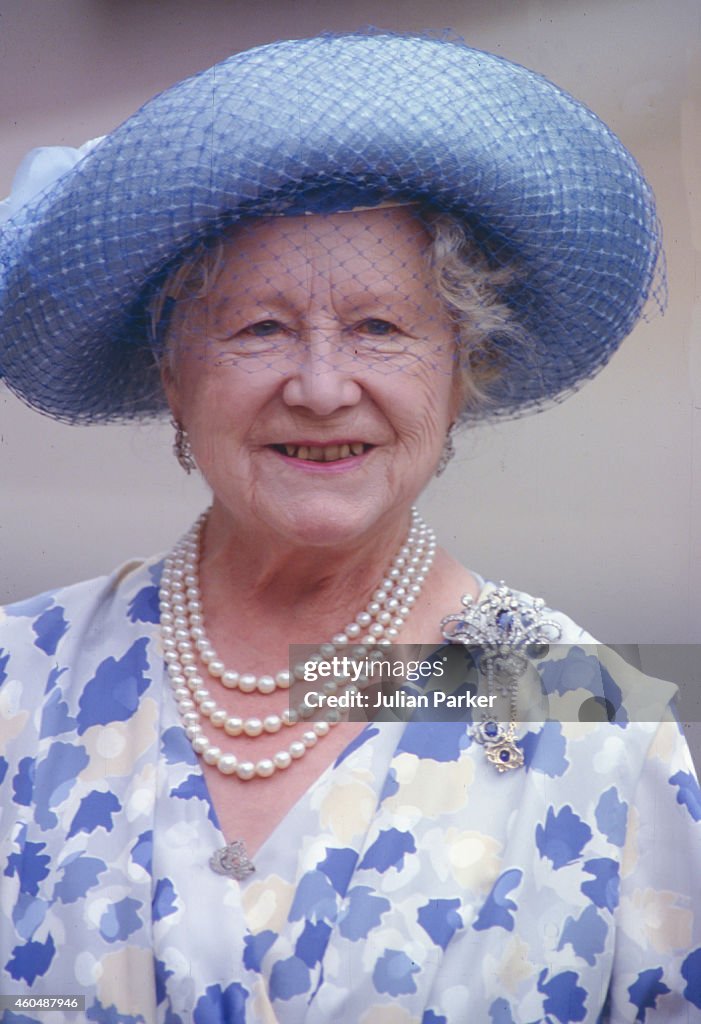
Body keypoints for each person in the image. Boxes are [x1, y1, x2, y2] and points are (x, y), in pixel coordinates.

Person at [0, 30, 699, 1024]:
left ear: (464, 369)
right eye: (258, 329)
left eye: (381, 328)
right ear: (170, 371)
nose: (321, 388)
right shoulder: (21, 682)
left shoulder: (585, 721)